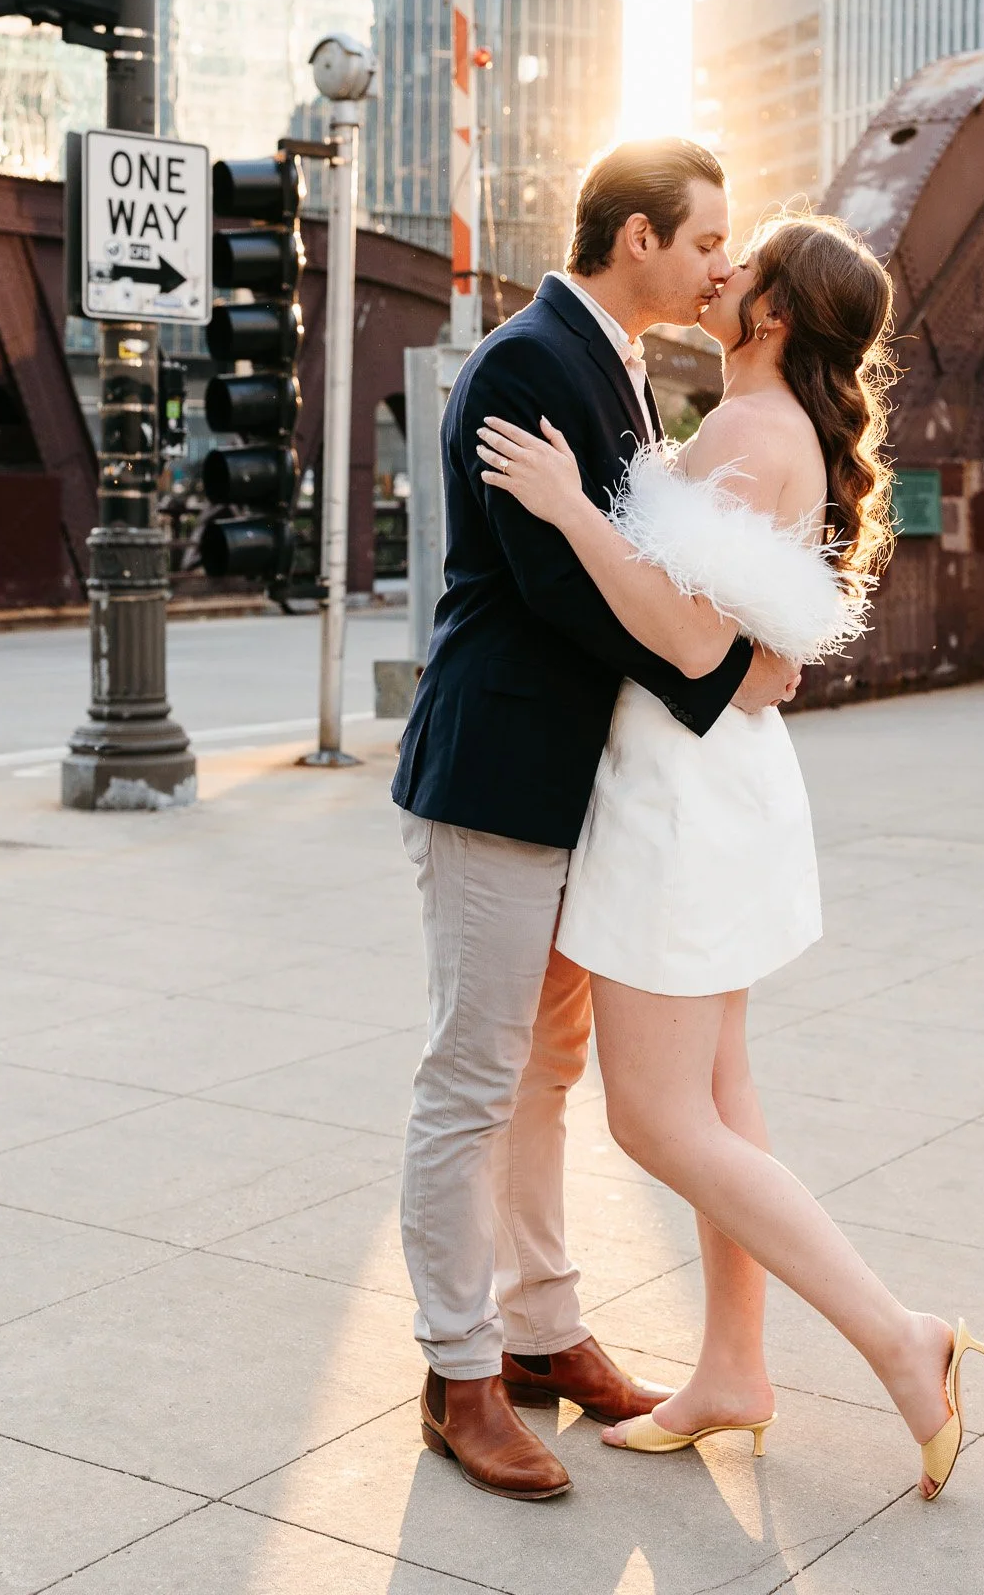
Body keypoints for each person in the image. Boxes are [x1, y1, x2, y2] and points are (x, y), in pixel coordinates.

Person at [476, 212, 984, 1501]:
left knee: (654, 1119)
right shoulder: (778, 432)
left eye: (739, 260)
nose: (721, 270)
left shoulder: (749, 436)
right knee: (722, 1099)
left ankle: (897, 1338)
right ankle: (733, 1374)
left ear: (768, 315)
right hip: (721, 790)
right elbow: (747, 654)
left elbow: (693, 642)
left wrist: (565, 510)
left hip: (682, 798)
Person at [392, 138, 801, 1503]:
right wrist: (727, 673)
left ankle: (542, 1331)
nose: (720, 268)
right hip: (499, 775)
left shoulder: (622, 367)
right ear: (638, 238)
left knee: (543, 1076)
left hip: (581, 793)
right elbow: (561, 588)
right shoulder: (523, 364)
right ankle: (458, 1374)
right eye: (703, 245)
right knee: (472, 1075)